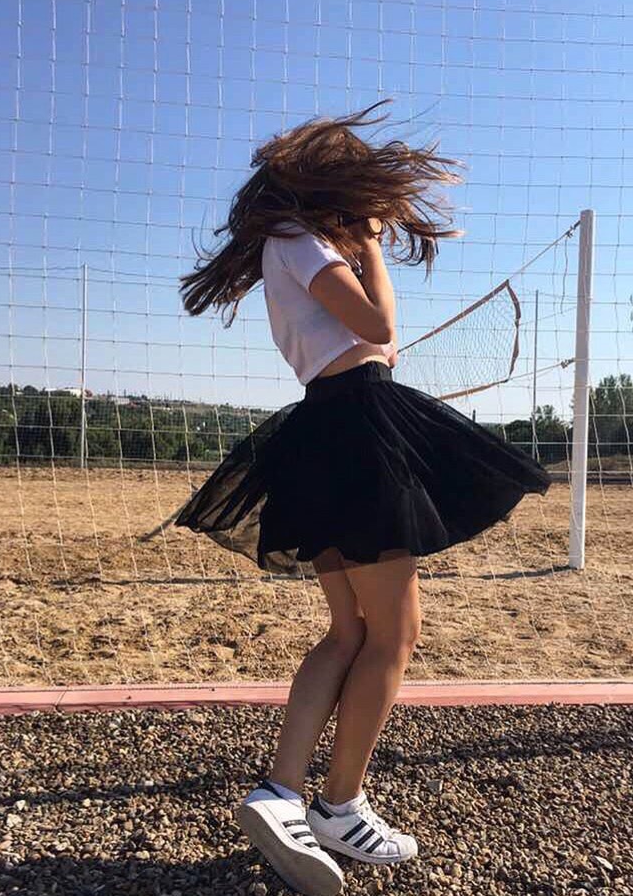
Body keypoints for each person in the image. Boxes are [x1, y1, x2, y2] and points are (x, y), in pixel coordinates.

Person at [173, 99, 551, 896]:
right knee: (396, 632)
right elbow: (379, 324)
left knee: (349, 630)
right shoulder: (302, 241)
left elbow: (374, 339)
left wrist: (361, 254)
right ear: (329, 185)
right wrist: (372, 244)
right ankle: (338, 803)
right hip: (358, 428)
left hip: (323, 429)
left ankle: (281, 791)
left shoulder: (283, 242)